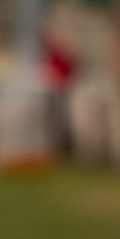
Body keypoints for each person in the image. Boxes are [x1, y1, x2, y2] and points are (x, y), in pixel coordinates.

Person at [42, 28, 77, 158]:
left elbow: (71, 74)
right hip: (54, 92)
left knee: (63, 121)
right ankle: (55, 146)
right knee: (54, 120)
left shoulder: (66, 56)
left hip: (63, 92)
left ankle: (62, 146)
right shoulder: (51, 54)